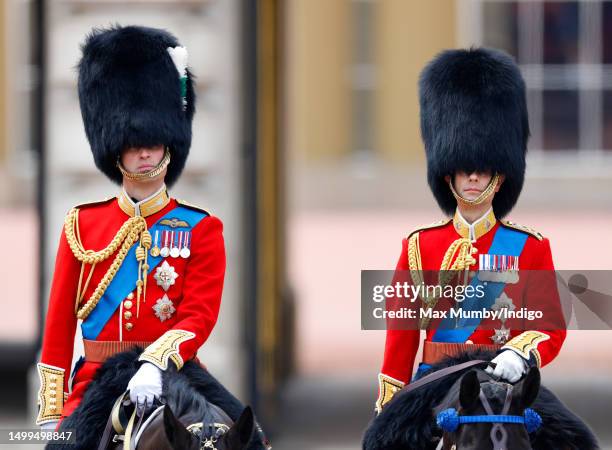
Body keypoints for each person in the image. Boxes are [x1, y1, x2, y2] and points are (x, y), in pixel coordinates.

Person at [35, 25, 255, 442]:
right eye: (134, 142)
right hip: (98, 378)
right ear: (115, 144)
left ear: (169, 143)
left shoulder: (201, 228)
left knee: (252, 438)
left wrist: (155, 362)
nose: (143, 151)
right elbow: (59, 326)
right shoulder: (81, 225)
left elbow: (200, 315)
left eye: (153, 141)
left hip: (174, 369)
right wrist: (50, 407)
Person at [375, 47, 567, 413]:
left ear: (500, 176)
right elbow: (400, 338)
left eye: (483, 168)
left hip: (503, 382)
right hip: (434, 385)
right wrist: (391, 405)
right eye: (464, 168)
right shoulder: (420, 246)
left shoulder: (529, 247)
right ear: (449, 175)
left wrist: (520, 353)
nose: (474, 176)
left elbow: (550, 327)